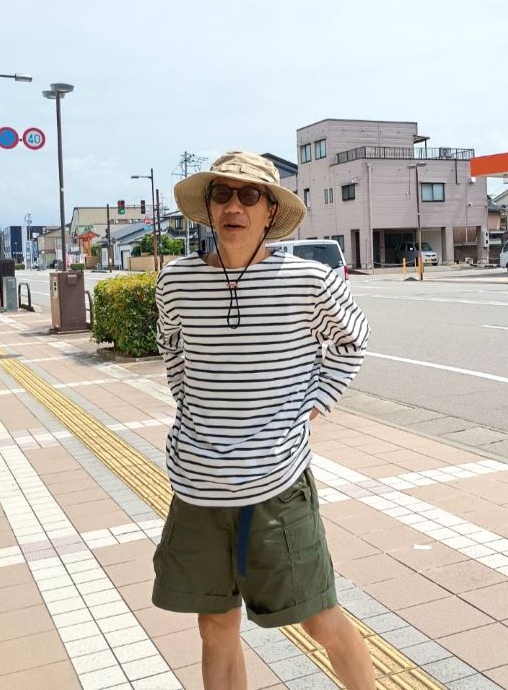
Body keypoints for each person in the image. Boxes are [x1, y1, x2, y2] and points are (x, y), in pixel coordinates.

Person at [153, 151, 374, 690]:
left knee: (319, 618)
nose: (234, 206)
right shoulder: (176, 281)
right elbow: (172, 348)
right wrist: (195, 408)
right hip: (198, 484)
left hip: (277, 481)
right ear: (209, 207)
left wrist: (313, 401)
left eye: (249, 195)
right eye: (222, 194)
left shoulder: (310, 280)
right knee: (215, 626)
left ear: (270, 211)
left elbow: (352, 342)